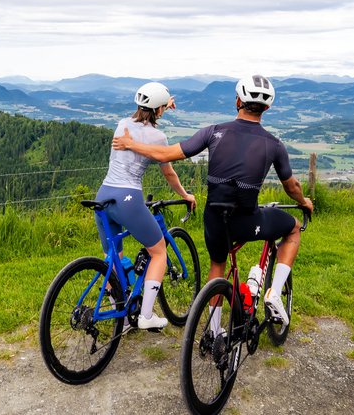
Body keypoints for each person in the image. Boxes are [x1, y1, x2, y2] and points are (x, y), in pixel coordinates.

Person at [112, 74, 313, 327]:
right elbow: (291, 186)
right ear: (267, 108)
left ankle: (214, 330)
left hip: (214, 220)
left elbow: (166, 153)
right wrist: (304, 201)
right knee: (293, 227)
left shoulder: (213, 131)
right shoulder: (274, 144)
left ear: (238, 101)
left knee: (217, 264)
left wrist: (131, 143)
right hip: (246, 221)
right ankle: (275, 293)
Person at [94, 81, 196, 330]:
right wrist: (185, 194)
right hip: (128, 199)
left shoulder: (122, 124)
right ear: (158, 109)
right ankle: (146, 316)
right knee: (159, 252)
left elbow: (146, 118)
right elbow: (169, 173)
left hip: (103, 195)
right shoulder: (159, 137)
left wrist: (163, 104)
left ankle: (121, 313)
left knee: (113, 259)